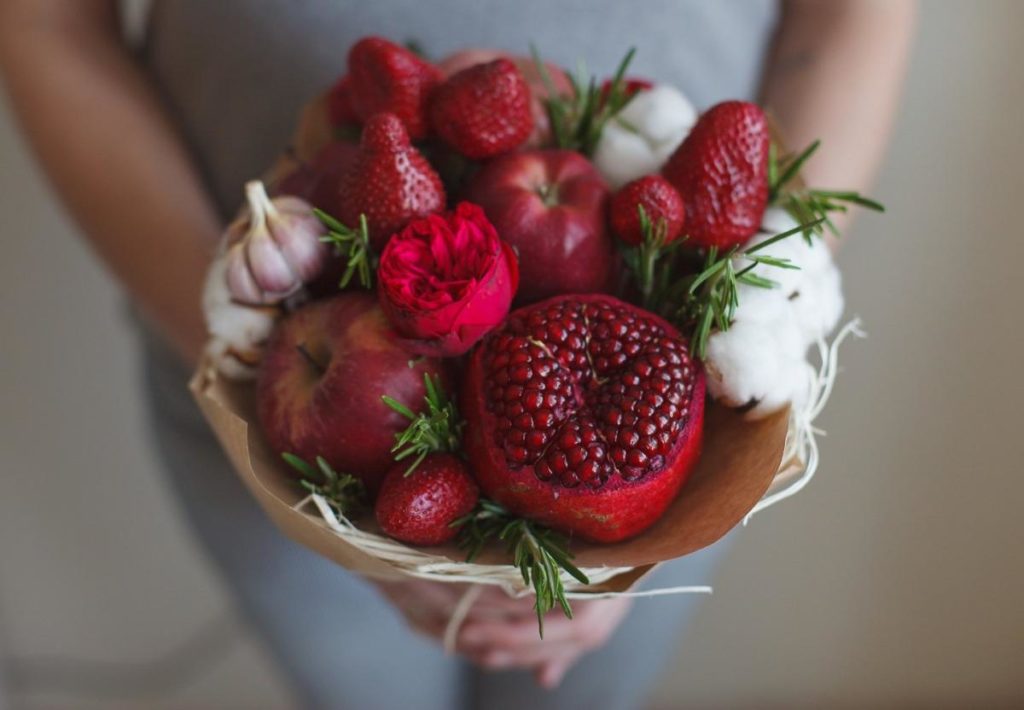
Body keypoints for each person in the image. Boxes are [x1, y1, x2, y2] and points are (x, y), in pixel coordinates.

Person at [0, 1, 915, 707]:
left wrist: (757, 303)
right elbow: (43, 21)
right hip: (254, 384)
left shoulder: (714, 363)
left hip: (694, 396)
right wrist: (227, 335)